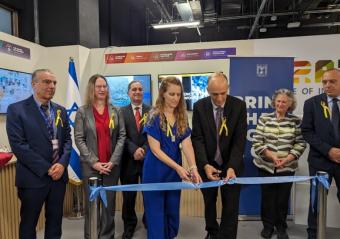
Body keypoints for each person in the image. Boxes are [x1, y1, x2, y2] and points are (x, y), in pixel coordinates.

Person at [6, 69, 72, 239]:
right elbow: (19, 146)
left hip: (58, 179)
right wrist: (48, 168)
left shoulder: (60, 111)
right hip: (33, 178)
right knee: (29, 224)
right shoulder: (17, 110)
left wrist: (62, 164)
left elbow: (67, 141)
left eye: (54, 83)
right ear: (34, 84)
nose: (51, 86)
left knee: (55, 223)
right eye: (46, 82)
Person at [142, 76, 202, 239]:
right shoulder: (153, 116)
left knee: (172, 214)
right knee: (156, 216)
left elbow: (187, 144)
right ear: (163, 94)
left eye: (178, 94)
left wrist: (193, 167)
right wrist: (178, 167)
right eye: (172, 94)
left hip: (174, 173)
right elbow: (155, 150)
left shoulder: (182, 116)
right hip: (155, 172)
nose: (176, 98)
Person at [191, 72, 247, 239]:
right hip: (208, 164)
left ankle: (227, 236)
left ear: (227, 88)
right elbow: (197, 138)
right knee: (209, 202)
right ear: (207, 91)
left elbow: (239, 140)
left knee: (231, 205)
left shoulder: (239, 106)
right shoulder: (199, 107)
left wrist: (232, 167)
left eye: (223, 93)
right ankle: (212, 232)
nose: (220, 98)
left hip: (232, 165)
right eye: (215, 94)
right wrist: (204, 164)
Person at [74, 74, 126, 239]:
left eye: (105, 86)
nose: (103, 89)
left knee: (109, 206)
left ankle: (107, 236)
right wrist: (94, 162)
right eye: (99, 86)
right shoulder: (82, 111)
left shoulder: (116, 110)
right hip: (91, 168)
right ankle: (91, 236)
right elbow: (79, 139)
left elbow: (122, 136)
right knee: (92, 206)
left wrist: (113, 161)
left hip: (111, 166)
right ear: (92, 89)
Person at [252, 89, 306, 239]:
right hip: (265, 166)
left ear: (290, 104)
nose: (281, 104)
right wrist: (271, 157)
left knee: (282, 199)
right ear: (274, 102)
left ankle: (281, 227)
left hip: (287, 167)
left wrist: (287, 159)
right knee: (267, 198)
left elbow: (300, 144)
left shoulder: (295, 121)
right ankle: (268, 227)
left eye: (284, 101)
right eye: (278, 101)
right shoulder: (264, 118)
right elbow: (257, 142)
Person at [301, 68, 340, 239]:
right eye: (324, 82)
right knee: (316, 201)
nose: (327, 85)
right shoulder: (312, 103)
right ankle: (313, 234)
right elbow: (307, 131)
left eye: (332, 81)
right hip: (320, 160)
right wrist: (328, 150)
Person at [120, 80, 150, 239]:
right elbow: (120, 136)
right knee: (128, 197)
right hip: (128, 162)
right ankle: (129, 225)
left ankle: (148, 221)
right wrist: (134, 150)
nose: (137, 92)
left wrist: (143, 149)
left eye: (140, 89)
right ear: (128, 93)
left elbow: (153, 135)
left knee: (149, 195)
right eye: (134, 89)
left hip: (148, 161)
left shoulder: (151, 111)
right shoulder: (121, 112)